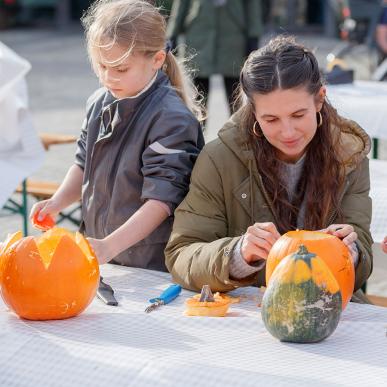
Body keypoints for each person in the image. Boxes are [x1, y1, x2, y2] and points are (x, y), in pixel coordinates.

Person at [165, 35, 373, 302]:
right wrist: (238, 254)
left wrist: (351, 252)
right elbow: (181, 255)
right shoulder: (219, 159)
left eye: (298, 115)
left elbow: (363, 258)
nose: (287, 132)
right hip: (248, 309)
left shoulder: (349, 157)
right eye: (271, 119)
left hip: (329, 306)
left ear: (320, 99)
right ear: (253, 112)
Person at [30, 0, 204, 271]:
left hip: (150, 263)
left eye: (121, 69)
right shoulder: (99, 101)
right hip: (101, 252)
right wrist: (58, 201)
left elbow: (161, 201)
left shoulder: (171, 118)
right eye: (102, 66)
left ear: (157, 60)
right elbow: (82, 163)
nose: (109, 78)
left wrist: (110, 245)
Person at [167, 0, 263, 116]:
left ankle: (239, 131)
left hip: (233, 31)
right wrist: (173, 33)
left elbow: (252, 4)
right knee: (198, 91)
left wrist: (254, 35)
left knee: (236, 91)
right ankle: (197, 130)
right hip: (199, 31)